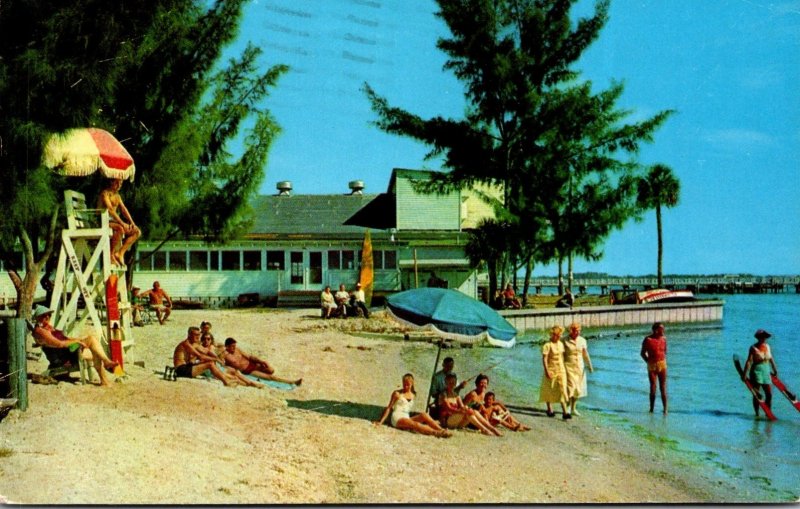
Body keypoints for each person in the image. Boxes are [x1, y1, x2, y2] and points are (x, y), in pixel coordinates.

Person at [31, 305, 119, 386]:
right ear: (37, 318)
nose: (47, 317)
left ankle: (104, 380)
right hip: (63, 357)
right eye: (44, 315)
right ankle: (106, 362)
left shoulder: (48, 328)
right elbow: (59, 344)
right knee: (92, 339)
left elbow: (65, 339)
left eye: (49, 315)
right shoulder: (40, 331)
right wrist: (77, 342)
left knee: (96, 351)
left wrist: (77, 340)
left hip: (68, 351)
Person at [374, 373, 452, 438]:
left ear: (412, 384)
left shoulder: (413, 394)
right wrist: (381, 422)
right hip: (397, 418)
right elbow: (389, 408)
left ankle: (441, 429)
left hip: (406, 417)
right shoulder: (397, 394)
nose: (405, 386)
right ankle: (436, 433)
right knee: (416, 424)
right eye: (404, 384)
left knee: (424, 415)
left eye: (408, 385)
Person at [438, 373, 502, 436]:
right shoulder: (444, 394)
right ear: (446, 383)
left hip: (457, 423)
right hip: (447, 422)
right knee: (467, 409)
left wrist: (467, 409)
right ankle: (484, 429)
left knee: (474, 411)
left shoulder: (456, 395)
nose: (452, 384)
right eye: (450, 382)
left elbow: (462, 406)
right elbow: (449, 409)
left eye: (454, 382)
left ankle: (492, 429)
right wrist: (463, 410)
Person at [97, 178, 141, 266]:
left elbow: (124, 209)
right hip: (103, 222)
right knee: (120, 228)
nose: (119, 185)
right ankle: (110, 254)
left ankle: (120, 253)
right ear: (111, 182)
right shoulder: (105, 194)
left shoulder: (117, 196)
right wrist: (122, 223)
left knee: (137, 232)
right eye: (117, 182)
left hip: (114, 223)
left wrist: (132, 222)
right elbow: (110, 210)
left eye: (120, 183)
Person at [223, 338, 302, 386]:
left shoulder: (238, 350)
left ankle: (291, 381)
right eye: (232, 346)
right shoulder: (225, 355)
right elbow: (223, 365)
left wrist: (261, 361)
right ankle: (292, 382)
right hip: (248, 370)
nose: (234, 348)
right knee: (271, 377)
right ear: (227, 346)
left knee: (271, 370)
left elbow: (249, 356)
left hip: (252, 364)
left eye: (234, 346)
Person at [197, 333, 262, 388]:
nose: (206, 341)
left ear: (211, 340)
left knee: (235, 371)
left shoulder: (213, 347)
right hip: (210, 370)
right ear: (202, 340)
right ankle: (249, 385)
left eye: (208, 339)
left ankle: (250, 383)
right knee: (233, 377)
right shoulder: (201, 348)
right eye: (204, 339)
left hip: (217, 366)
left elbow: (220, 350)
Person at [741, 329, 779, 418]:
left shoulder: (768, 346)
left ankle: (768, 413)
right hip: (756, 370)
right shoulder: (753, 348)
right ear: (758, 338)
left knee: (769, 394)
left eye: (765, 337)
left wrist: (775, 370)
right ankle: (757, 413)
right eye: (762, 337)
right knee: (757, 394)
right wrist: (744, 374)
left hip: (766, 370)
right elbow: (749, 361)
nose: (764, 338)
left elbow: (771, 359)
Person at [563, 322, 594, 417]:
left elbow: (585, 354)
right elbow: (560, 354)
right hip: (568, 366)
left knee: (578, 389)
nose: (578, 333)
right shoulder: (564, 340)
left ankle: (573, 408)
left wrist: (590, 365)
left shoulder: (582, 340)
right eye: (576, 331)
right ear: (571, 331)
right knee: (570, 388)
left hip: (580, 367)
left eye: (579, 331)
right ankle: (567, 408)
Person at [540, 325, 569, 419]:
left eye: (560, 335)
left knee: (562, 389)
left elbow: (562, 357)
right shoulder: (547, 345)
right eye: (557, 335)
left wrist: (565, 369)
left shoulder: (561, 344)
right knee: (550, 389)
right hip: (551, 369)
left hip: (561, 370)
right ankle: (549, 409)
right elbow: (544, 359)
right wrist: (547, 370)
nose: (559, 336)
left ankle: (565, 412)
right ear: (553, 335)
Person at [640, 322, 668, 414]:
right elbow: (642, 353)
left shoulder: (664, 339)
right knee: (653, 387)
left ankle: (665, 409)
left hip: (662, 364)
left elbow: (665, 351)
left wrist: (661, 359)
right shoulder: (648, 339)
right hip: (652, 364)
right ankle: (651, 409)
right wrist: (648, 361)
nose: (663, 331)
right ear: (656, 330)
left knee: (663, 387)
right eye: (661, 329)